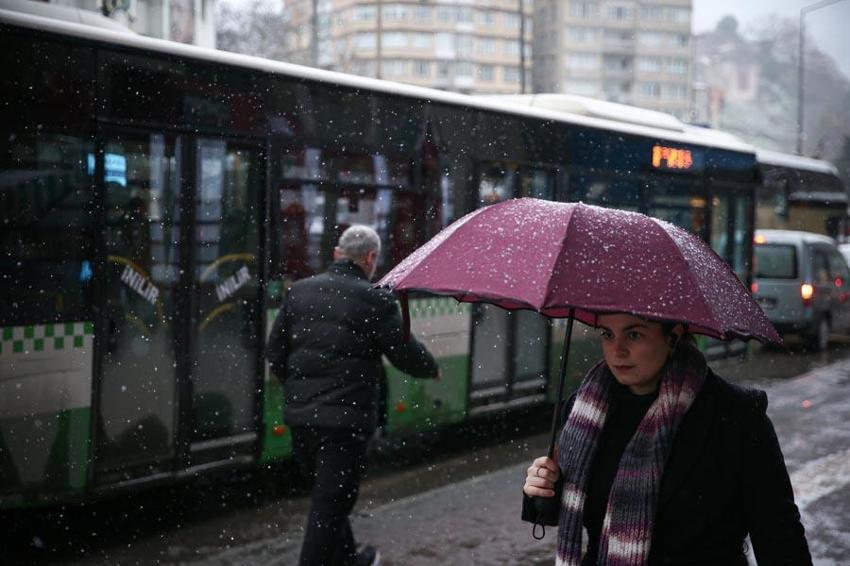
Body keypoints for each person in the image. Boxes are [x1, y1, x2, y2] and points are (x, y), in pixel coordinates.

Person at [522, 312, 812, 566]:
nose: (617, 350)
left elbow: (778, 536)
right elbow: (567, 508)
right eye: (607, 334)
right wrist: (544, 488)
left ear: (673, 337)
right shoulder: (585, 411)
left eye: (634, 334)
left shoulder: (736, 416)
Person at [268, 224, 440, 566]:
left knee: (329, 500)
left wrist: (301, 392)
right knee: (330, 505)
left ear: (336, 254)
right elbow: (403, 351)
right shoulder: (375, 297)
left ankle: (348, 560)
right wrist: (430, 368)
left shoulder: (299, 291)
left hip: (302, 419)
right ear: (371, 258)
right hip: (345, 423)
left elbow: (276, 354)